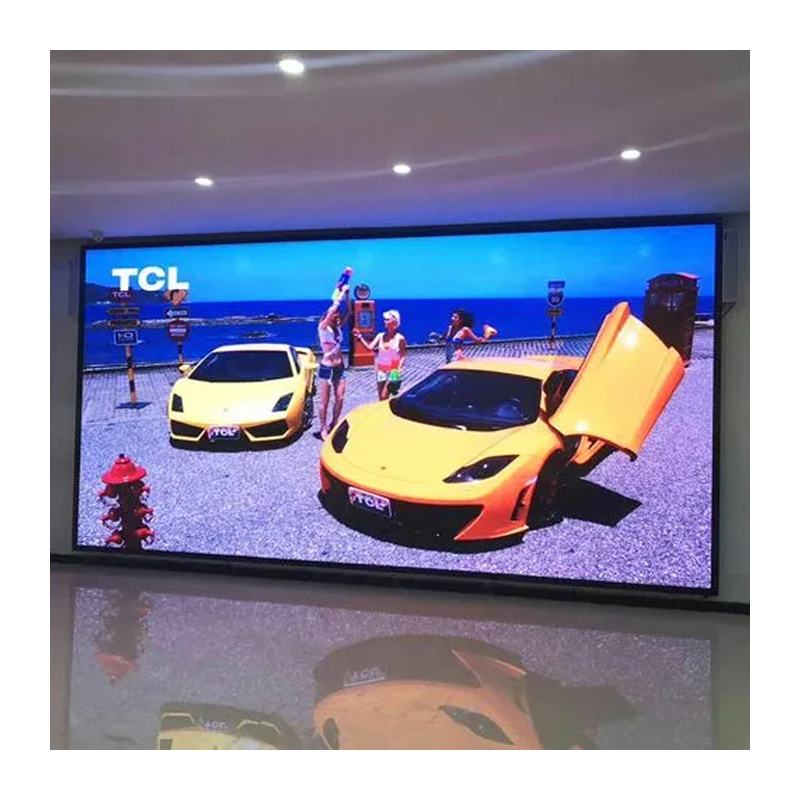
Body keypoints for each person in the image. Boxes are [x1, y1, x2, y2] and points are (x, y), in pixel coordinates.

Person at [316, 287, 351, 439]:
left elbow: (349, 311)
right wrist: (340, 295)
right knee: (324, 401)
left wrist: (348, 295)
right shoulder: (323, 328)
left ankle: (334, 422)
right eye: (335, 315)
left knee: (340, 398)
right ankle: (323, 427)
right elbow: (331, 312)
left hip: (339, 368)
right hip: (327, 369)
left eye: (338, 316)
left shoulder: (338, 329)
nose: (337, 317)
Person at [357, 309, 407, 400]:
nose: (384, 322)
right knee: (381, 397)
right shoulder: (380, 336)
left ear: (394, 322)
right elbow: (370, 348)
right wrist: (360, 337)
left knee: (384, 395)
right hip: (381, 368)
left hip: (393, 369)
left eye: (387, 320)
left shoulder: (400, 338)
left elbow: (403, 354)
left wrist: (398, 368)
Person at [432, 308, 497, 363]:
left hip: (456, 358)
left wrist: (486, 337)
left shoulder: (465, 330)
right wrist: (435, 336)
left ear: (460, 320)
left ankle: (488, 331)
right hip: (448, 359)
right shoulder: (450, 328)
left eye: (455, 317)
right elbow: (443, 338)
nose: (452, 318)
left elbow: (477, 341)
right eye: (452, 317)